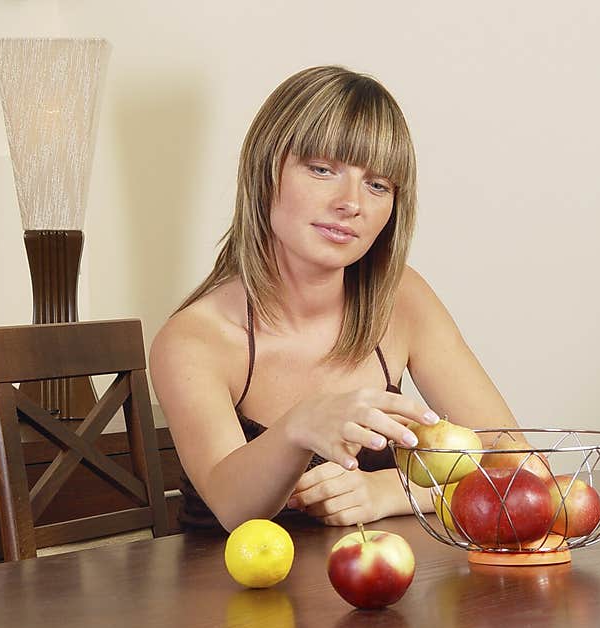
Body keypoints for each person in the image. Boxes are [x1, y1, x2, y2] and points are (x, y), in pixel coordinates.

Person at [150, 65, 524, 533]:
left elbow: (515, 461)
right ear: (264, 171)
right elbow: (234, 508)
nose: (352, 202)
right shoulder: (193, 339)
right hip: (228, 595)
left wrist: (392, 491)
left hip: (377, 595)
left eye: (378, 184)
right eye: (323, 169)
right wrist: (300, 427)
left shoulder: (402, 298)